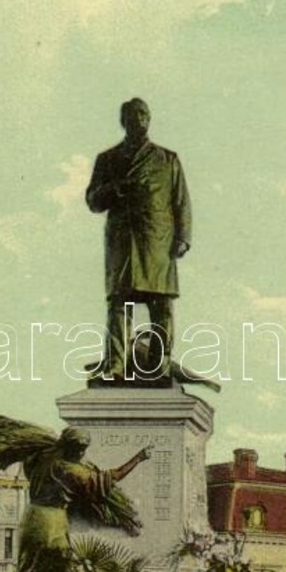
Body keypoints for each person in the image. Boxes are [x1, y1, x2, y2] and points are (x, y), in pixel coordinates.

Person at [0, 417, 152, 572]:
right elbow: (111, 478)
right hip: (52, 521)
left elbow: (29, 466)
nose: (83, 453)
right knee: (61, 566)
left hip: (32, 516)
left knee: (28, 568)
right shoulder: (72, 470)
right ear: (74, 450)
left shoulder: (42, 456)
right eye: (81, 450)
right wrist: (138, 458)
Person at [86, 98, 191, 383]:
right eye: (133, 115)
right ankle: (116, 366)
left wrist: (182, 238)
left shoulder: (167, 159)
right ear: (123, 120)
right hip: (123, 242)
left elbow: (181, 202)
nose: (139, 119)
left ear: (150, 118)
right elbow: (93, 200)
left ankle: (158, 366)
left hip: (158, 243)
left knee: (161, 306)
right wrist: (116, 188)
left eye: (143, 114)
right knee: (120, 305)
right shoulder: (108, 159)